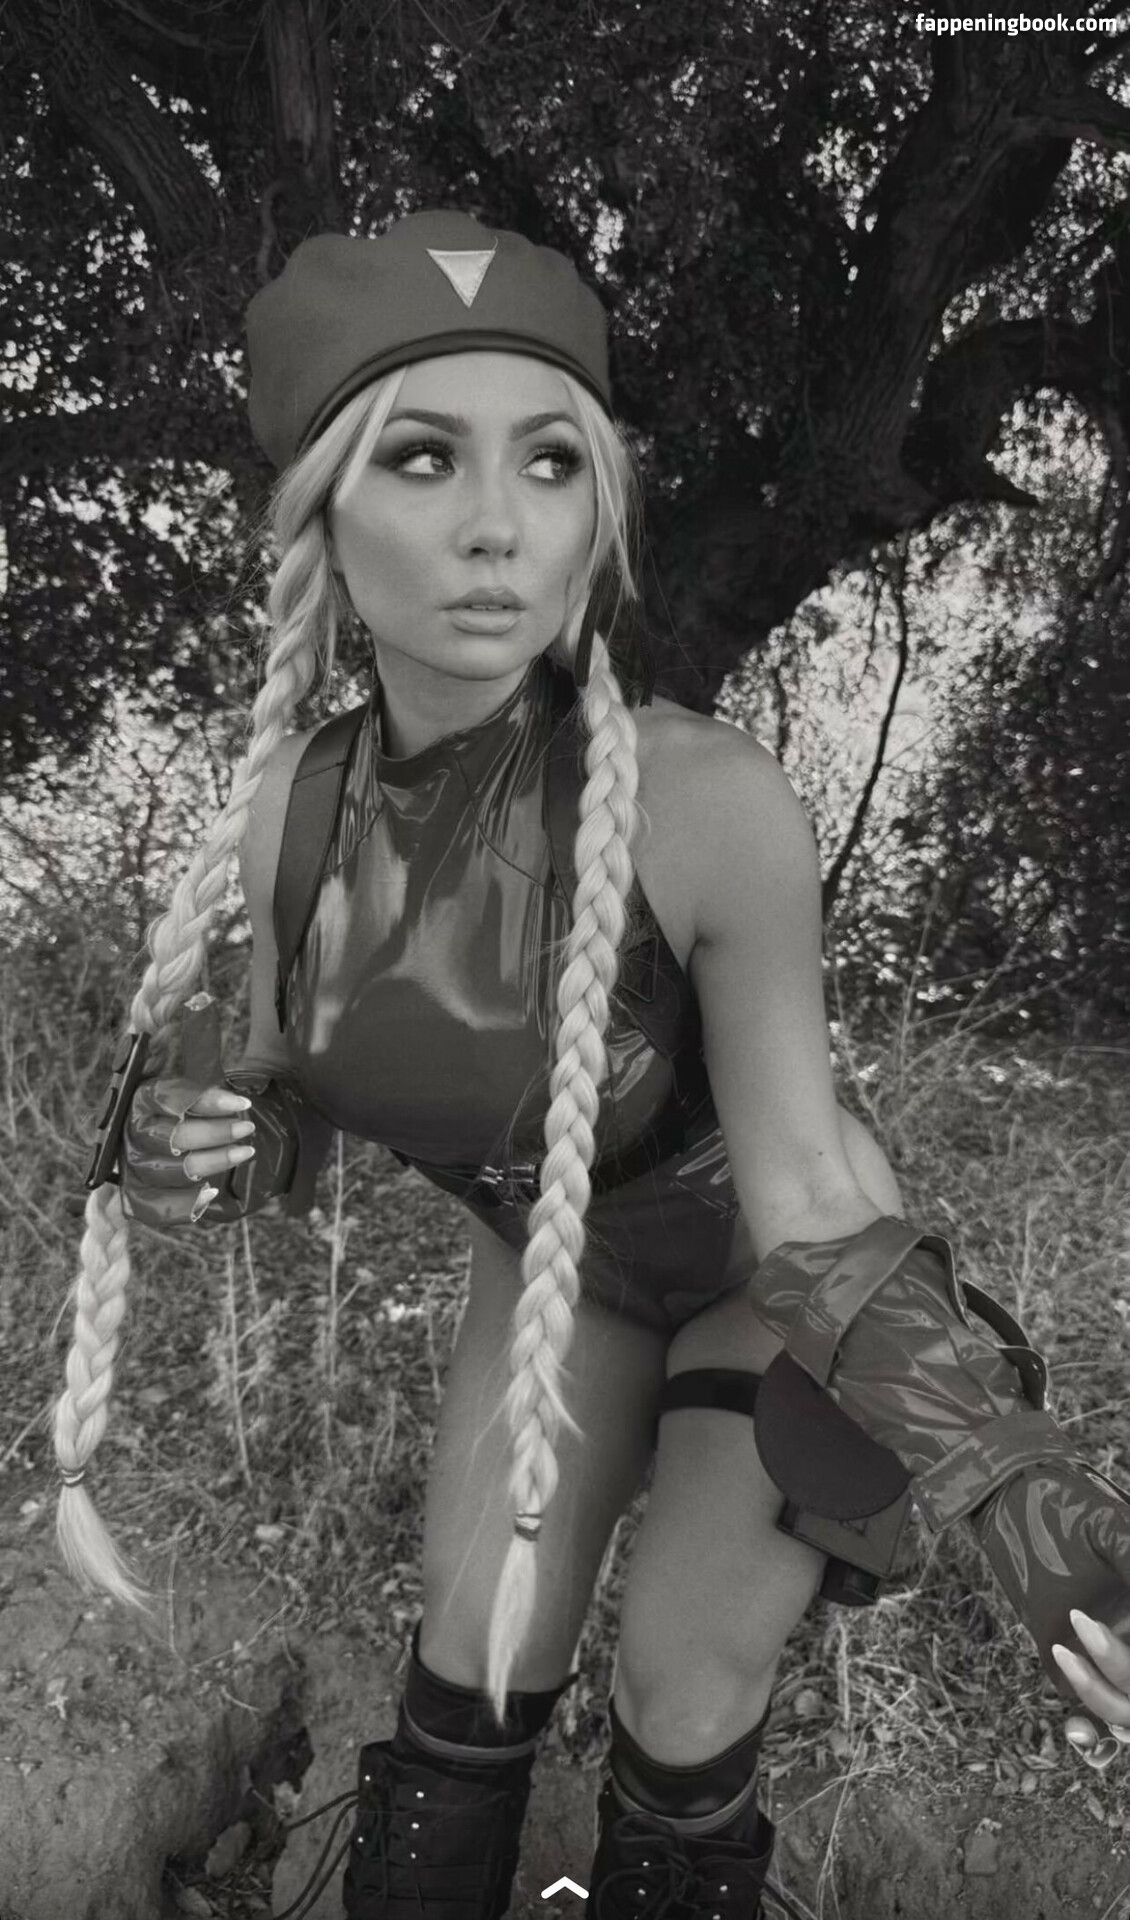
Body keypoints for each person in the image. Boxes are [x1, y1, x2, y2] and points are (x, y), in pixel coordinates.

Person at [53, 211, 1130, 1920]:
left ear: (597, 509)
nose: (497, 523)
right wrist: (203, 1145)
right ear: (320, 512)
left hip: (778, 1291)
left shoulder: (703, 799)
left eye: (550, 460)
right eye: (422, 456)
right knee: (467, 1679)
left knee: (680, 1699)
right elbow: (277, 1085)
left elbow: (806, 1196)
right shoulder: (291, 812)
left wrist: (1037, 1517)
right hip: (553, 1274)